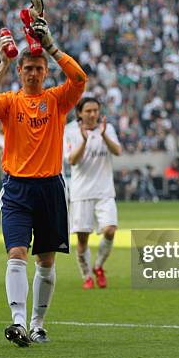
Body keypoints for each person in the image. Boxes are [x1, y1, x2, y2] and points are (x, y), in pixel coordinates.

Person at [0, 0, 87, 346]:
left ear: (45, 72)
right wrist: (3, 64)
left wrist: (51, 46)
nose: (34, 73)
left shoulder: (56, 100)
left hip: (51, 187)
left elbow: (80, 78)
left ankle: (39, 323)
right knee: (16, 253)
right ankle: (19, 322)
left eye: (39, 68)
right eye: (29, 68)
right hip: (18, 188)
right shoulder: (10, 102)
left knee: (47, 260)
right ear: (22, 72)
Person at [64, 97, 121, 289]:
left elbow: (118, 151)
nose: (93, 114)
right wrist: (84, 141)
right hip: (81, 192)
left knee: (110, 230)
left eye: (96, 110)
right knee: (82, 238)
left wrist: (103, 135)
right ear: (80, 113)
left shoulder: (107, 128)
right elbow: (72, 160)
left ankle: (98, 266)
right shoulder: (71, 131)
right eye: (88, 111)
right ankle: (87, 276)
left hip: (105, 191)